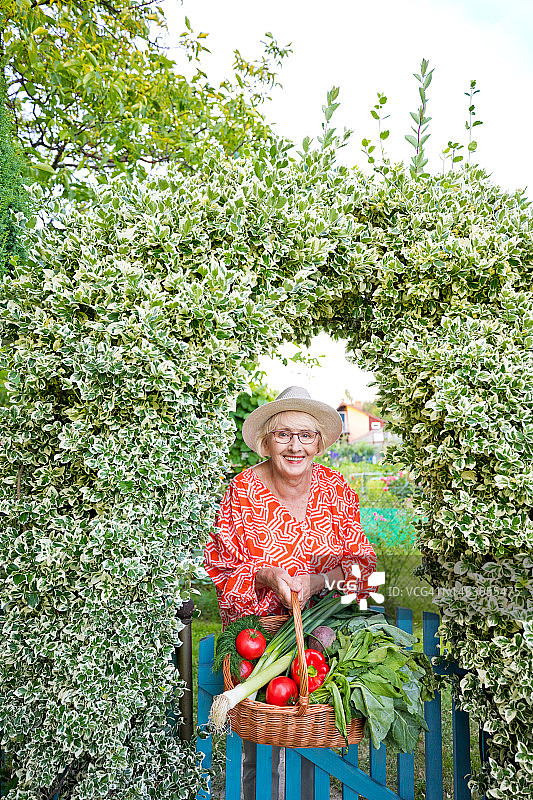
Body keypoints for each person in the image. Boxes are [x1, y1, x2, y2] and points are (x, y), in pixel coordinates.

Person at [204, 386, 377, 800]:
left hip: (320, 641)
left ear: (319, 442)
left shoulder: (336, 490)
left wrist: (318, 581)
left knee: (310, 744)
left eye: (305, 435)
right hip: (257, 646)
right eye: (283, 434)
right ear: (266, 442)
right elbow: (220, 569)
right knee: (259, 746)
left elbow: (363, 568)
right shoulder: (242, 492)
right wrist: (265, 576)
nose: (295, 446)